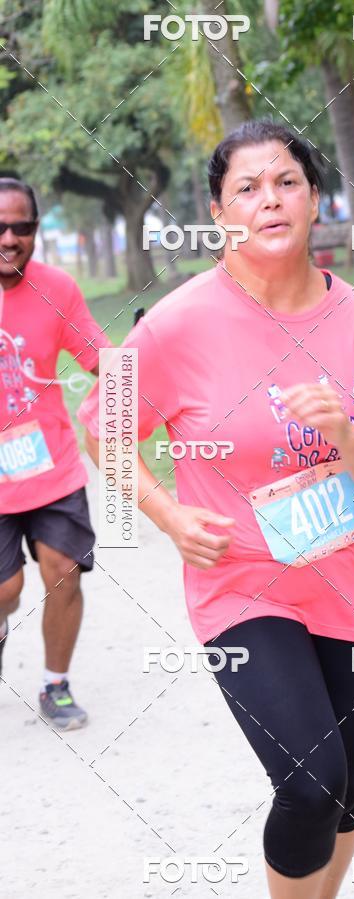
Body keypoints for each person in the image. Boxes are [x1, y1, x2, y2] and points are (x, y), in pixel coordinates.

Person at [78, 119, 354, 897]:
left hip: (352, 588)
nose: (269, 200)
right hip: (243, 588)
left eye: (287, 182)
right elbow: (103, 426)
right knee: (311, 780)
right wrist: (166, 512)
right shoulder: (177, 324)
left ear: (311, 199)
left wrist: (346, 435)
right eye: (247, 187)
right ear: (219, 213)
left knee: (347, 791)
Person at [0, 177, 113, 730]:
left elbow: (100, 357)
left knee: (64, 571)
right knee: (6, 590)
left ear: (36, 231)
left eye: (21, 226)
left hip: (52, 468)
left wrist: (141, 362)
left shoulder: (57, 288)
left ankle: (55, 684)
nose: (9, 237)